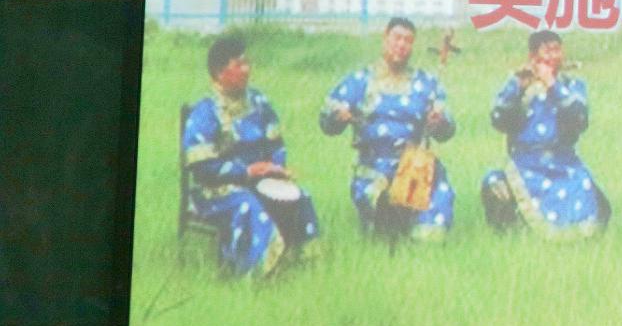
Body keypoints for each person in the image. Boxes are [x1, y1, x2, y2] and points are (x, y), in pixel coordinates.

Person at [180, 34, 320, 276]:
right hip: (216, 190)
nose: (247, 69)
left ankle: (302, 263)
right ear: (219, 72)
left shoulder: (259, 102)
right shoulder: (205, 113)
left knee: (301, 196)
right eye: (239, 64)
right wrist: (245, 171)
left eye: (247, 62)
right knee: (247, 204)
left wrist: (276, 169)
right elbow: (201, 166)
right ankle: (257, 273)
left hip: (260, 181)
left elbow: (276, 143)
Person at [320, 17, 457, 240]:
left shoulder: (426, 84)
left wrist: (439, 122)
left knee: (433, 226)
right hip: (375, 167)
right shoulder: (360, 81)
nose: (402, 45)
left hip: (416, 168)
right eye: (397, 38)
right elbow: (327, 122)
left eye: (408, 41)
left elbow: (448, 129)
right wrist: (338, 117)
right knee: (383, 216)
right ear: (385, 38)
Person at [480, 30, 609, 239]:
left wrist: (553, 85)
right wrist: (517, 89)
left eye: (557, 50)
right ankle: (517, 234)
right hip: (526, 165)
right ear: (533, 57)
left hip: (564, 163)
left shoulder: (572, 86)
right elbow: (499, 120)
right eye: (548, 51)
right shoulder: (519, 84)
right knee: (494, 185)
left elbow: (579, 119)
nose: (554, 56)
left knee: (589, 193)